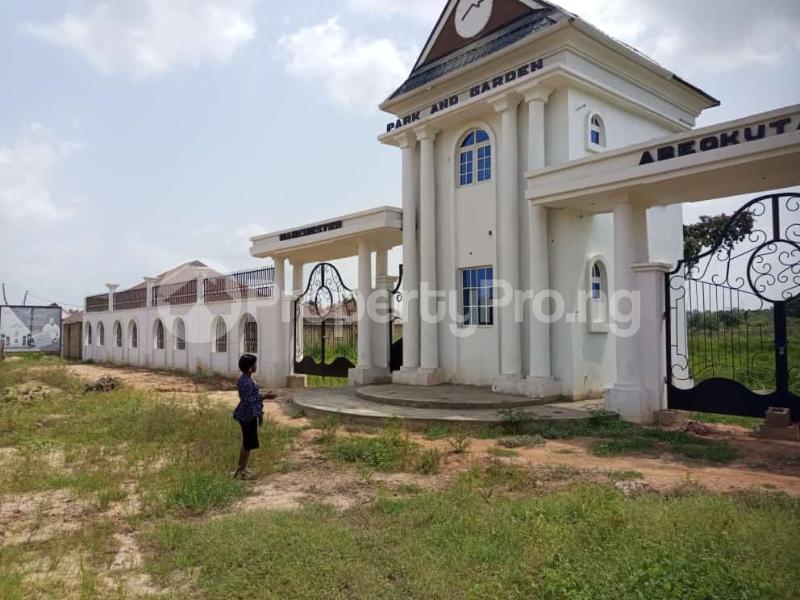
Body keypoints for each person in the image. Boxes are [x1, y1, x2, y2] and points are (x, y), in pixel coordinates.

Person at [232, 354, 277, 480]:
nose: (256, 366)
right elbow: (248, 400)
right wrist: (264, 397)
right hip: (247, 416)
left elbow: (250, 397)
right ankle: (241, 471)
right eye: (254, 364)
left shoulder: (245, 379)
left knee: (247, 443)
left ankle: (241, 469)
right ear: (250, 368)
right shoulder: (247, 382)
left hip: (247, 414)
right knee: (247, 444)